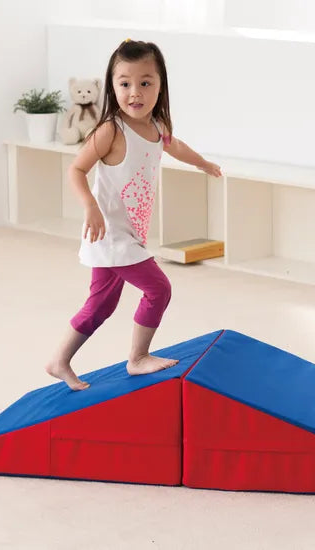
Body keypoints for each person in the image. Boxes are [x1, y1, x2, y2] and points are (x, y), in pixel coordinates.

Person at [46, 39, 222, 391]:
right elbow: (76, 170)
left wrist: (202, 163)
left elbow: (176, 146)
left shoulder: (156, 126)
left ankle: (59, 361)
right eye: (124, 83)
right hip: (110, 234)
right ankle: (138, 357)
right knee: (159, 289)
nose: (135, 92)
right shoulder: (111, 129)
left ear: (160, 85)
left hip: (126, 234)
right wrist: (90, 207)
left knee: (101, 305)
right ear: (112, 86)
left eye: (145, 82)